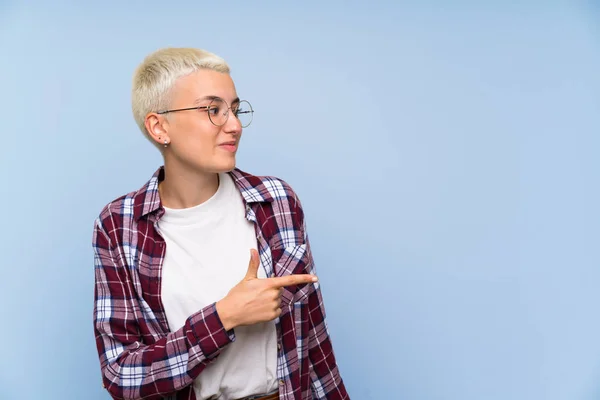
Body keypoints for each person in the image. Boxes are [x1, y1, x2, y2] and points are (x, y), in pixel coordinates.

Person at [92, 47, 349, 400]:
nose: (235, 125)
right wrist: (223, 316)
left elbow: (313, 342)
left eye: (235, 109)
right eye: (213, 110)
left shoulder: (275, 201)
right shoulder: (119, 226)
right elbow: (122, 374)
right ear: (159, 126)